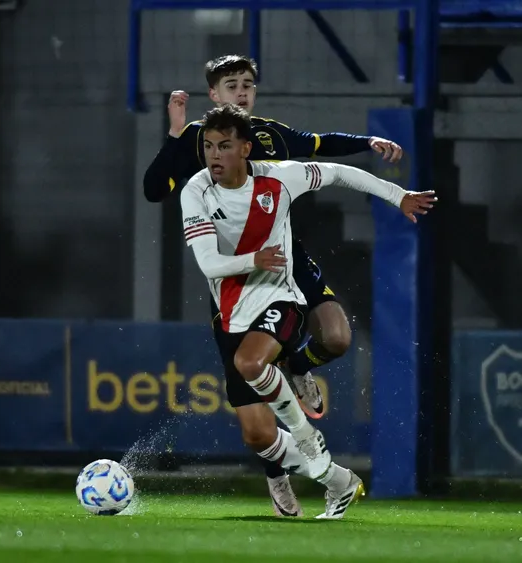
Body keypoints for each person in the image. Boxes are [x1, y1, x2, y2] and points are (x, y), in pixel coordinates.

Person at [144, 54, 404, 515]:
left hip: (281, 261)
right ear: (214, 95)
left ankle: (300, 374)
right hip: (232, 282)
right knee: (257, 429)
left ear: (244, 144)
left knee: (335, 337)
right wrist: (174, 134)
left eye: (247, 84)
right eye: (231, 85)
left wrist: (372, 147)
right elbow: (153, 189)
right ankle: (292, 474)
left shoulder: (268, 142)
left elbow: (323, 149)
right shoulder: (194, 150)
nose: (241, 92)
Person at [181, 103, 434, 519]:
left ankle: (305, 433)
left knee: (252, 362)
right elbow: (209, 264)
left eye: (224, 146)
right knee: (258, 435)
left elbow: (339, 173)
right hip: (231, 310)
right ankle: (339, 482)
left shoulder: (281, 177)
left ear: (246, 149)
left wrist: (399, 195)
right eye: (208, 146)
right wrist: (253, 260)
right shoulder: (196, 190)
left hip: (281, 297)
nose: (214, 156)